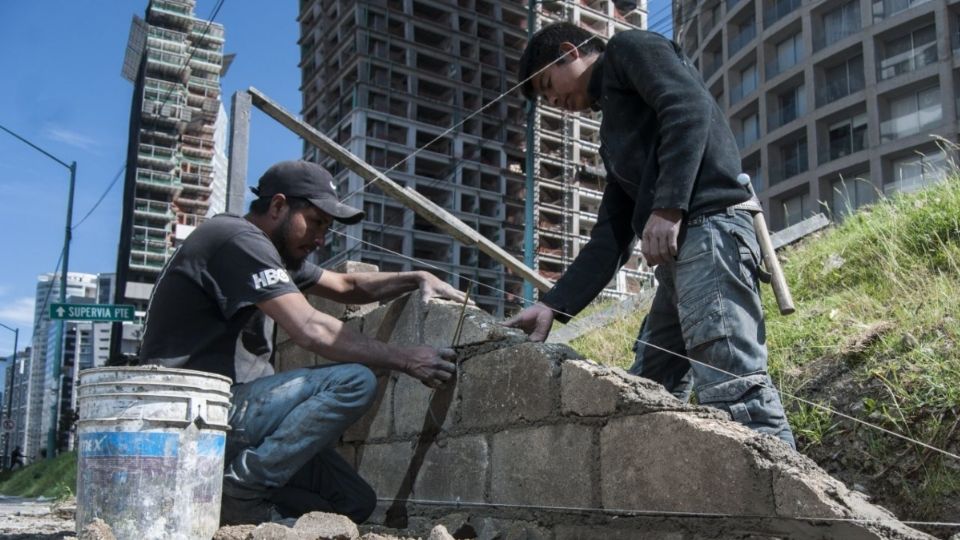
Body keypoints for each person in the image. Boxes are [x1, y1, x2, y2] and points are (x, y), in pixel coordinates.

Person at [504, 23, 795, 449]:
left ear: (571, 52)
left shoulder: (629, 48)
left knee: (733, 385)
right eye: (546, 101)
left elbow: (688, 106)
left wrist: (668, 206)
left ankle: (791, 510)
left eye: (548, 85)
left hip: (709, 228)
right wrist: (553, 304)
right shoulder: (614, 132)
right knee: (650, 388)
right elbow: (612, 232)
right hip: (683, 259)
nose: (554, 103)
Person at [139, 160, 469, 525]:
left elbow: (347, 286)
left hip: (224, 417)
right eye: (315, 222)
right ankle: (240, 492)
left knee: (355, 504)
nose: (320, 239)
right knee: (354, 381)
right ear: (279, 206)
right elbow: (310, 327)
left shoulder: (270, 253)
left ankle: (225, 499)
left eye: (326, 228)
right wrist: (406, 359)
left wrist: (417, 276)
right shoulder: (237, 239)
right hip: (193, 415)